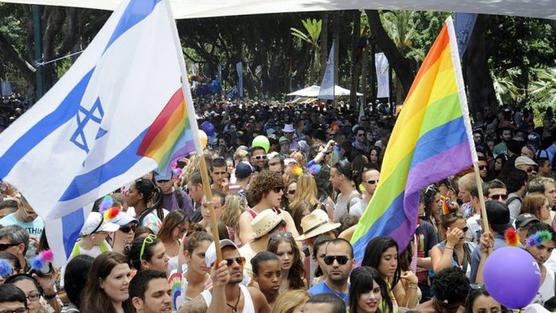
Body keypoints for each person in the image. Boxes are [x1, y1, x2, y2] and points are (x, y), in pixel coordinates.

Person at [180, 239, 270, 313]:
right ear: (212, 269)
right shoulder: (197, 307)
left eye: (239, 260)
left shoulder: (255, 296)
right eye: (228, 262)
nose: (236, 266)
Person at [238, 171, 299, 244]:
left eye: (282, 189)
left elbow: (298, 244)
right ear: (263, 191)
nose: (281, 193)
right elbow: (249, 247)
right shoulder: (247, 217)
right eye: (277, 189)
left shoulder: (285, 215)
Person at [362, 236, 418, 309]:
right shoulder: (367, 286)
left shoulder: (388, 280)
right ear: (375, 258)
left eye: (395, 258)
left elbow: (406, 309)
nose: (393, 263)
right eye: (387, 258)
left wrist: (412, 283)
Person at [469, 201, 510, 283]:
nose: (479, 221)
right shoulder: (520, 246)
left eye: (481, 218)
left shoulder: (482, 250)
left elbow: (475, 285)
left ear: (486, 223)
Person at [239, 209, 286, 277]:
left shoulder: (275, 250)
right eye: (279, 230)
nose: (283, 234)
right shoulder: (244, 256)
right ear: (268, 233)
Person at [308, 238, 355, 306]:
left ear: (353, 263)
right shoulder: (311, 296)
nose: (335, 264)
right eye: (329, 259)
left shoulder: (358, 293)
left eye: (341, 259)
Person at [430, 208, 473, 276]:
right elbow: (440, 272)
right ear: (445, 231)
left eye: (465, 229)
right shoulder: (438, 249)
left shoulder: (472, 247)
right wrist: (450, 244)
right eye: (457, 231)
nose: (462, 233)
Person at [525, 223, 556, 305]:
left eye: (549, 250)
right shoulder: (508, 270)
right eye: (540, 247)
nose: (544, 255)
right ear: (527, 242)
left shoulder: (552, 278)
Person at [182, 231, 213, 301]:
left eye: (209, 256)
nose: (206, 261)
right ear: (187, 255)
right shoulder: (176, 281)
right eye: (202, 255)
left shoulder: (214, 286)